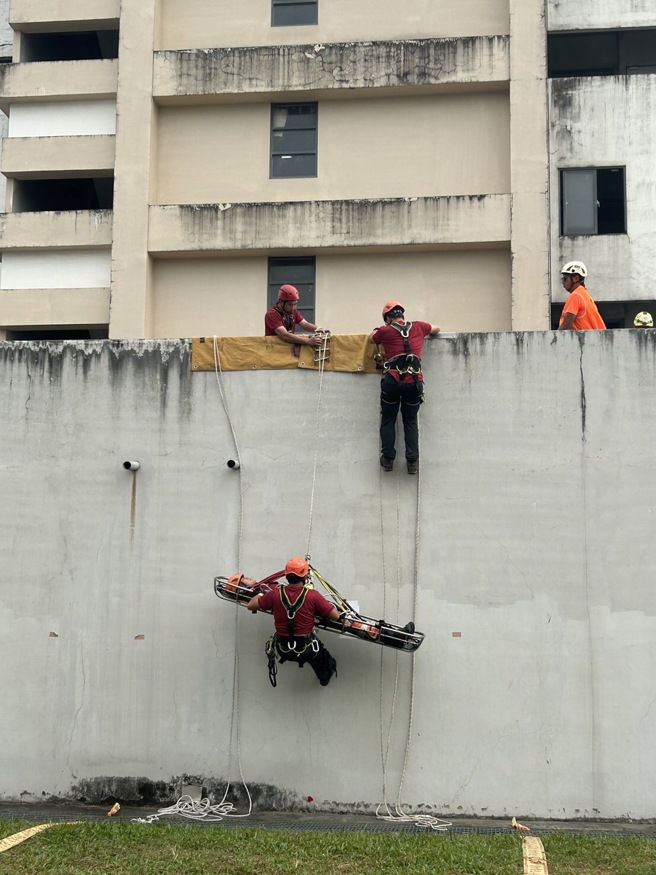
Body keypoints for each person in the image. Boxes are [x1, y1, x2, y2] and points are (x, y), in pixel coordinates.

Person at [245, 557, 341, 687]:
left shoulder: (275, 594)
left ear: (286, 576)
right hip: (306, 649)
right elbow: (335, 616)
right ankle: (324, 678)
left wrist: (262, 594)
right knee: (325, 660)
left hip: (283, 649)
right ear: (305, 577)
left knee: (312, 650)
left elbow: (251, 605)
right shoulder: (313, 596)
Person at [370, 302, 440, 474]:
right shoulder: (420, 327)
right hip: (414, 383)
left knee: (388, 419)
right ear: (402, 315)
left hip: (392, 381)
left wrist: (379, 328)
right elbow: (436, 328)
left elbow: (372, 338)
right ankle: (413, 462)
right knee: (410, 421)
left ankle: (388, 459)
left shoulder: (385, 331)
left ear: (388, 318)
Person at [558, 262, 606, 331]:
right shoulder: (584, 295)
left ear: (576, 278)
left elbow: (566, 326)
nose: (563, 282)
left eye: (565, 279)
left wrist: (554, 339)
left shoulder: (575, 296)